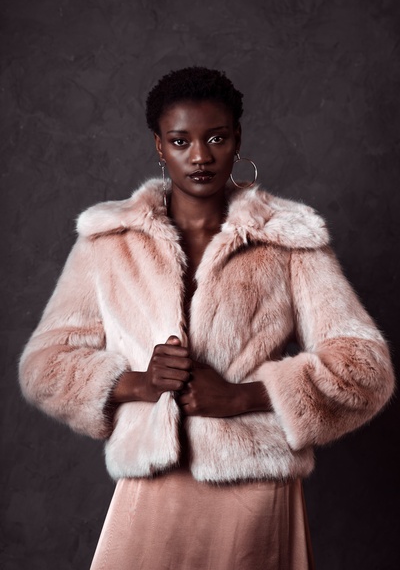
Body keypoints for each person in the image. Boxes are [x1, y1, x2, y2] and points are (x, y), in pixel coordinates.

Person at [19, 67, 394, 570]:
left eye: (216, 138)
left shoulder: (287, 239)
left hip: (254, 488)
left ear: (237, 139)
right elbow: (44, 365)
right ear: (159, 146)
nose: (200, 156)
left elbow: (366, 368)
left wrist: (244, 397)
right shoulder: (109, 241)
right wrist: (139, 383)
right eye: (180, 141)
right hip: (153, 479)